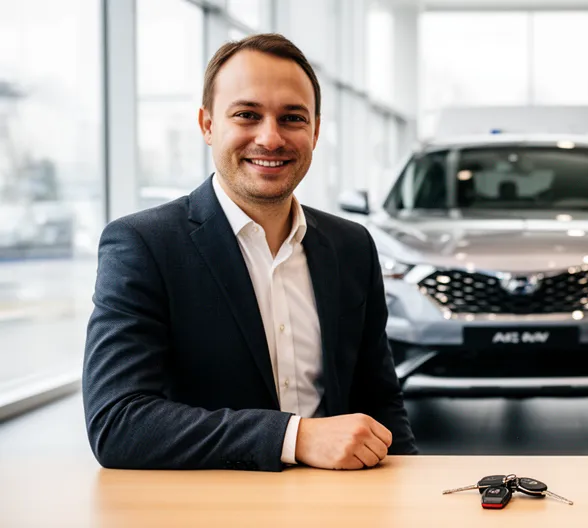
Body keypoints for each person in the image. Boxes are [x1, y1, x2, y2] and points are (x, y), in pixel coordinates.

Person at [83, 33, 416, 471]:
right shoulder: (144, 245)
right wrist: (294, 437)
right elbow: (118, 422)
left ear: (316, 131)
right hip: (212, 501)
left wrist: (413, 489)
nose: (270, 138)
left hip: (339, 498)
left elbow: (380, 400)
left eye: (292, 118)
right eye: (247, 115)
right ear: (207, 125)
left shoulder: (351, 246)